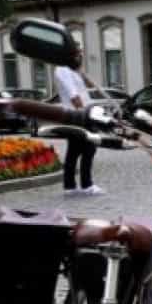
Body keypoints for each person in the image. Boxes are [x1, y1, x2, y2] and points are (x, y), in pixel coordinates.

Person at [54, 49, 104, 198]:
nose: (80, 56)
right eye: (77, 53)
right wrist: (85, 115)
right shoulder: (62, 69)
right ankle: (86, 185)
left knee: (74, 150)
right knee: (88, 149)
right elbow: (73, 95)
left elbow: (88, 84)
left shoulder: (71, 69)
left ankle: (70, 186)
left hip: (80, 113)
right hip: (78, 114)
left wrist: (80, 69)